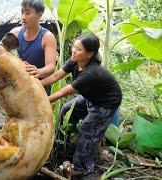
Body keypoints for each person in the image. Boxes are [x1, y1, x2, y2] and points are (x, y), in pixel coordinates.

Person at [41, 34, 122, 177]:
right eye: (74, 46)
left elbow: (61, 92)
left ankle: (82, 167)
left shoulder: (91, 73)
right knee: (67, 109)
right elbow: (54, 77)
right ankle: (63, 145)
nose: (73, 51)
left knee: (87, 130)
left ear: (90, 54)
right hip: (90, 97)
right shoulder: (74, 61)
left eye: (78, 49)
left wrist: (40, 101)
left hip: (105, 104)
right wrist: (34, 87)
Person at [10, 0, 57, 95]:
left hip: (40, 87)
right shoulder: (15, 33)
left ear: (39, 15)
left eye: (27, 13)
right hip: (18, 85)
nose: (23, 17)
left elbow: (51, 66)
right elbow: (1, 51)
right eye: (22, 12)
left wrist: (38, 71)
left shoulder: (47, 37)